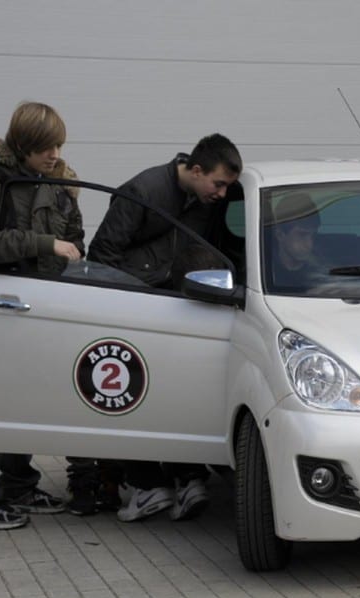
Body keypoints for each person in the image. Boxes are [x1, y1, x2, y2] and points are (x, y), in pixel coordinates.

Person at [88, 133, 242, 522]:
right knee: (136, 399)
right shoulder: (143, 191)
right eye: (218, 184)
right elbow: (102, 256)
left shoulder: (203, 201)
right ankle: (144, 483)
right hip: (137, 311)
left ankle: (186, 479)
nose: (221, 194)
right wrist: (138, 300)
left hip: (179, 308)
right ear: (194, 170)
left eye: (226, 186)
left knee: (179, 395)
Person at [0, 101, 83, 529]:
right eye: (47, 147)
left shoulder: (56, 182)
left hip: (45, 306)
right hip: (3, 304)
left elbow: (76, 238)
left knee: (25, 397)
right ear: (23, 144)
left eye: (59, 145)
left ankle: (17, 483)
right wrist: (44, 245)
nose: (55, 154)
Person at [268, 193, 323, 290]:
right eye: (302, 235)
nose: (310, 244)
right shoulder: (263, 270)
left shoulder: (322, 271)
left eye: (313, 235)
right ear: (280, 235)